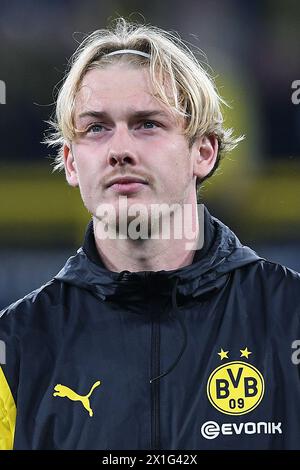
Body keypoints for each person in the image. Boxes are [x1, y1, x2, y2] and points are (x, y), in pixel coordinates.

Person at [0, 18, 299, 451]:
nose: (121, 149)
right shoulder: (16, 349)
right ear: (70, 162)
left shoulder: (288, 318)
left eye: (147, 124)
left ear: (204, 151)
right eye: (96, 128)